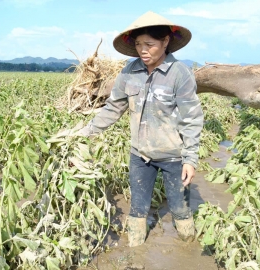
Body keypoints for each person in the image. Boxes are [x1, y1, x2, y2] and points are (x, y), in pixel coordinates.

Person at [77, 11, 203, 246]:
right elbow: (113, 108)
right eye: (137, 44)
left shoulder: (180, 74)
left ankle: (186, 246)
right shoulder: (129, 71)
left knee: (179, 208)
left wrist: (190, 159)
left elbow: (192, 119)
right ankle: (135, 250)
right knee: (137, 208)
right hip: (140, 155)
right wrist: (85, 132)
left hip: (173, 156)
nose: (143, 50)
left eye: (149, 44)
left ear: (165, 41)